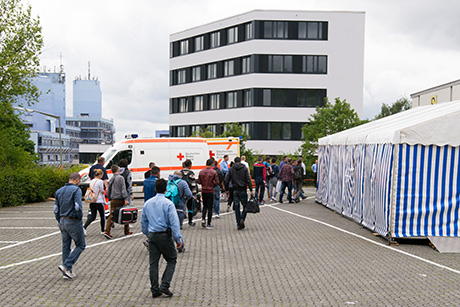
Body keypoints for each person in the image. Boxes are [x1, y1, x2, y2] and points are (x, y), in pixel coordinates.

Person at [141, 178, 183, 299]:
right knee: (172, 259)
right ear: (166, 189)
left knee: (153, 263)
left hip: (152, 235)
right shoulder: (168, 204)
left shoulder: (147, 203)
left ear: (155, 188)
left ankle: (154, 289)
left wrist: (147, 233)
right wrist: (178, 239)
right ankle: (165, 284)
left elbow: (143, 221)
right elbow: (174, 223)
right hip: (164, 235)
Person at [54, 172, 86, 280]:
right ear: (77, 180)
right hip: (73, 221)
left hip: (62, 221)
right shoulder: (76, 190)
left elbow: (56, 209)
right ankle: (66, 265)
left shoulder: (59, 191)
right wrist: (79, 219)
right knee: (81, 245)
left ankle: (66, 273)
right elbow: (77, 207)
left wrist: (59, 220)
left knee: (65, 247)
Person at [224, 157, 254, 230]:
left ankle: (238, 223)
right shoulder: (244, 169)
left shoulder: (231, 169)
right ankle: (242, 219)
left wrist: (227, 190)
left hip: (235, 190)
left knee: (236, 207)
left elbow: (226, 180)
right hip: (243, 189)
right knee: (245, 206)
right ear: (240, 161)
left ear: (234, 161)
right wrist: (251, 189)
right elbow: (248, 179)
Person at [104, 165, 131, 239]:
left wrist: (109, 197)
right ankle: (126, 230)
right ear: (118, 170)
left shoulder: (112, 178)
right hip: (120, 199)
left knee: (111, 215)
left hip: (113, 199)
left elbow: (108, 189)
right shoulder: (120, 178)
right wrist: (126, 198)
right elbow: (123, 189)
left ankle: (107, 231)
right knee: (125, 213)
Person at [197, 158, 219, 229]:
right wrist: (213, 185)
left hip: (203, 190)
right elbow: (217, 182)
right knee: (210, 207)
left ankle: (203, 219)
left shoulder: (201, 172)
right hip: (210, 191)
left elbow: (199, 181)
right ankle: (209, 223)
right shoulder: (213, 172)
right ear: (212, 164)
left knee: (205, 206)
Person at [83, 169, 106, 235]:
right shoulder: (100, 181)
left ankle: (84, 227)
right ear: (100, 175)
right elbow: (101, 190)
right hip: (99, 201)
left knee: (93, 216)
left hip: (92, 200)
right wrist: (104, 192)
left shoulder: (91, 181)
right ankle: (102, 230)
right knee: (102, 216)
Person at [181, 159, 199, 226]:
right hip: (189, 193)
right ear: (190, 165)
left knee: (182, 208)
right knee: (190, 207)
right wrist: (195, 195)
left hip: (181, 194)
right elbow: (193, 184)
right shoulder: (191, 173)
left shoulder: (180, 173)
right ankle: (190, 221)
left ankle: (181, 221)